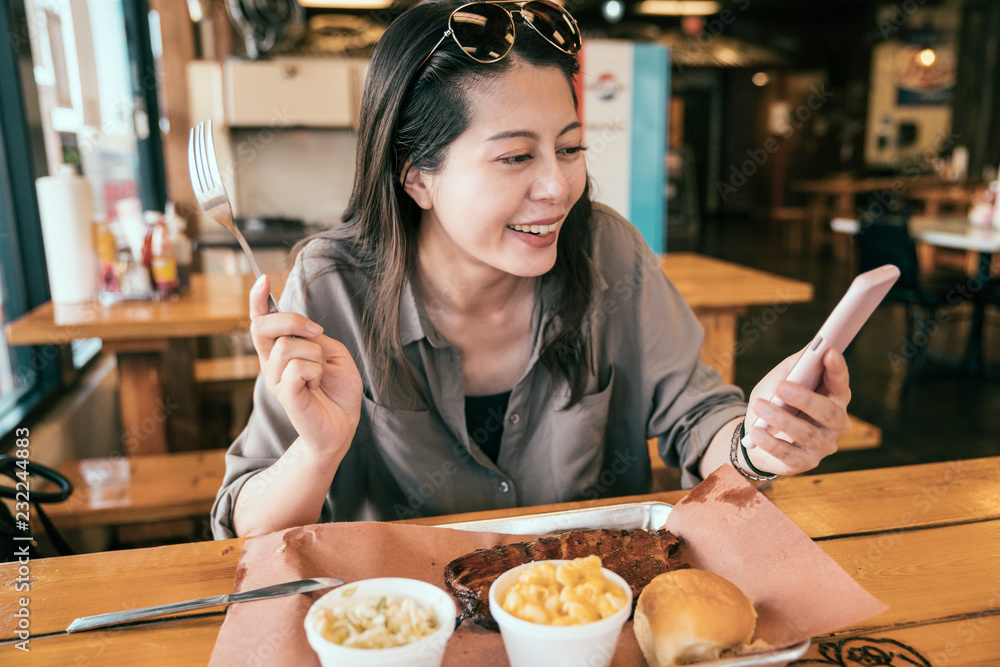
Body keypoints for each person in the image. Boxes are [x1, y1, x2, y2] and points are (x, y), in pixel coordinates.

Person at [210, 0, 851, 540]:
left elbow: (698, 418)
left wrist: (762, 444)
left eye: (570, 148)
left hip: (587, 615)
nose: (558, 186)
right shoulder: (334, 287)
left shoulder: (607, 251)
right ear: (417, 177)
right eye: (516, 156)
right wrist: (318, 453)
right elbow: (250, 525)